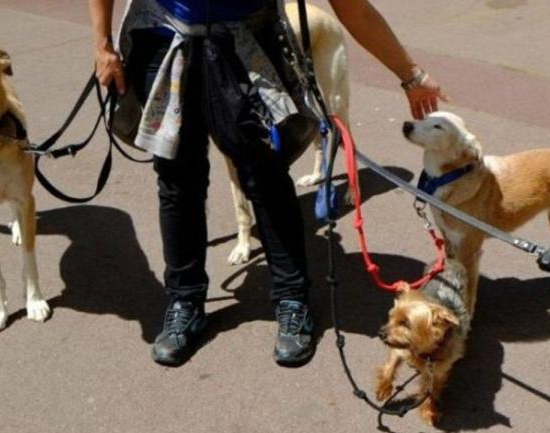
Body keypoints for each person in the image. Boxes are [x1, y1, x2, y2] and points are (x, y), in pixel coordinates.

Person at [88, 0, 446, 367]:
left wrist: (411, 76)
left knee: (266, 175)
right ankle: (185, 300)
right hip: (163, 35)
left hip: (246, 40)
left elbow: (353, 7)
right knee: (178, 180)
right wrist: (102, 44)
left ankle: (292, 299)